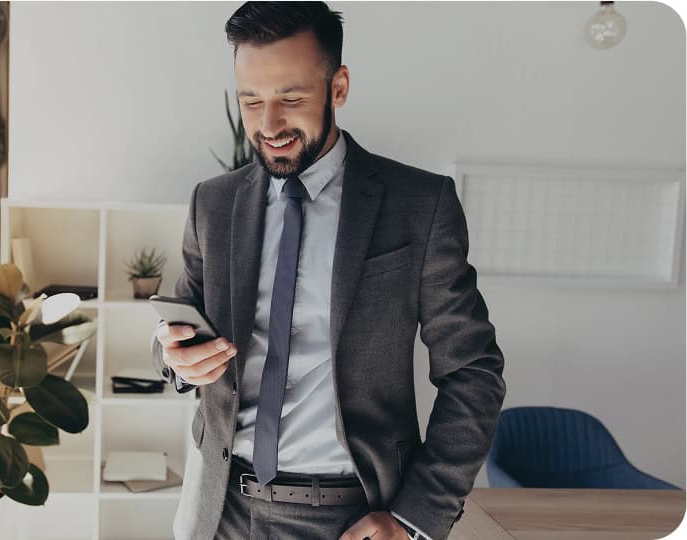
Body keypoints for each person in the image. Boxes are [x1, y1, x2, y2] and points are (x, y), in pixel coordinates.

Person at [152, 3, 506, 539]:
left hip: (351, 519)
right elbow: (177, 332)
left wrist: (415, 517)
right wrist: (175, 355)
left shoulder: (420, 205)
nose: (268, 125)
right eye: (251, 102)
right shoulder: (213, 204)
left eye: (290, 98)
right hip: (218, 511)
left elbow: (473, 373)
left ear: (338, 87)